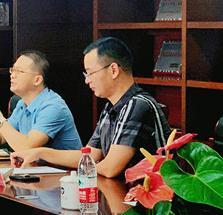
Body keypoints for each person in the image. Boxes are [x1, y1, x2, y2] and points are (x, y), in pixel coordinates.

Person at [12, 37, 171, 178]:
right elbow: (89, 156)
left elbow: (110, 168)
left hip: (146, 197)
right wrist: (39, 152)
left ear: (113, 70)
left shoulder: (137, 105)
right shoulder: (110, 107)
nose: (87, 81)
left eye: (90, 73)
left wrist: (86, 167)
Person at [0, 50, 82, 151]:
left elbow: (28, 147)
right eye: (13, 70)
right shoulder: (22, 104)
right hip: (33, 163)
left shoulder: (53, 106)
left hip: (62, 163)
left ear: (37, 80)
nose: (12, 75)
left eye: (20, 71)